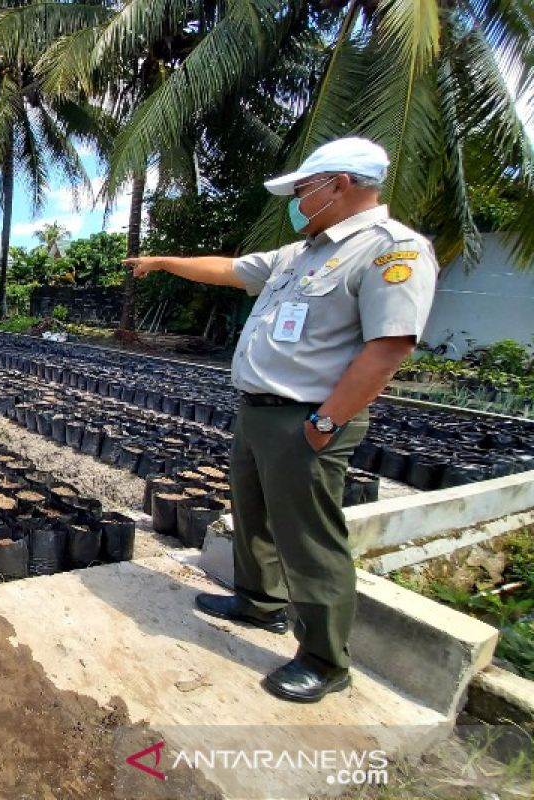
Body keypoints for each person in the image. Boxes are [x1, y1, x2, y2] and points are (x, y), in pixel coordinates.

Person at [122, 137, 437, 703]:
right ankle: (258, 601)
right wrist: (164, 261)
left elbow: (389, 347)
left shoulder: (390, 250)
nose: (296, 199)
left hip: (308, 418)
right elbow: (229, 269)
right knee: (254, 512)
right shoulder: (301, 254)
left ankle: (324, 659)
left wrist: (326, 422)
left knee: (310, 538)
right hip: (259, 412)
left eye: (302, 188)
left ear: (339, 184)